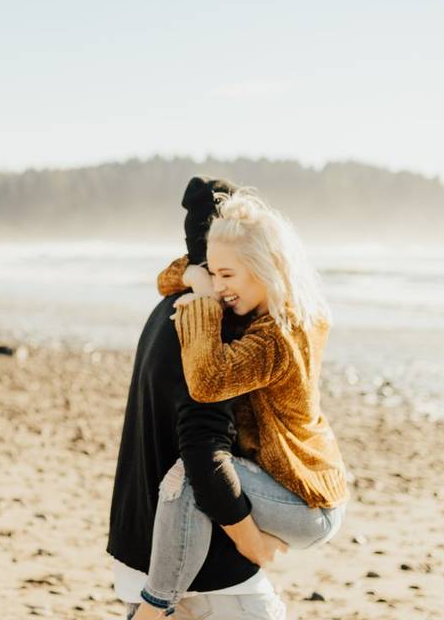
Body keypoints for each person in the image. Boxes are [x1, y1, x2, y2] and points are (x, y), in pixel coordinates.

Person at [134, 188, 350, 618]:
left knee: (193, 475)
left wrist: (200, 302)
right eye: (213, 274)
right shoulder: (277, 306)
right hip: (293, 484)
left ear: (267, 268)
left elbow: (207, 380)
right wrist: (199, 276)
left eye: (227, 276)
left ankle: (151, 610)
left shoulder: (278, 338)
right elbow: (166, 278)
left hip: (306, 500)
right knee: (199, 475)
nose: (219, 287)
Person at [107, 177, 288, 620]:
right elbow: (203, 452)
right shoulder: (209, 326)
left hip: (139, 545)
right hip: (205, 569)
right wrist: (254, 544)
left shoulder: (167, 308)